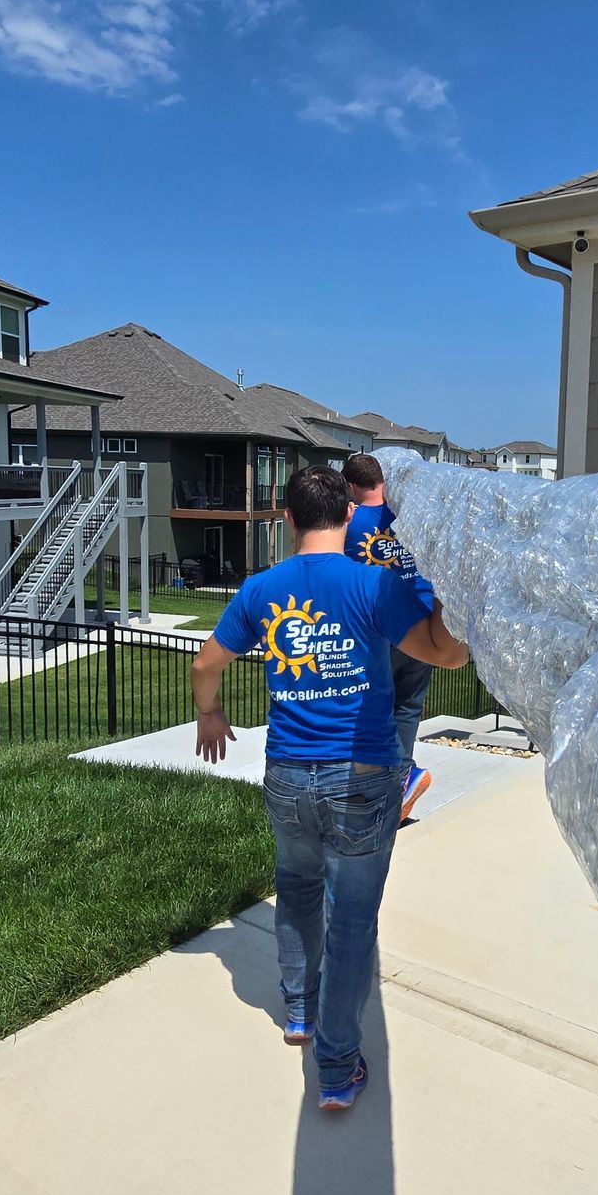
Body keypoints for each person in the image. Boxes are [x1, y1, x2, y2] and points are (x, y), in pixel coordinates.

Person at [192, 463, 469, 1112]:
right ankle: (338, 1069)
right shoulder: (372, 586)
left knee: (295, 886)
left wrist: (210, 712)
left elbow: (207, 663)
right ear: (349, 517)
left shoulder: (262, 589)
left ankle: (297, 1011)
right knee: (351, 922)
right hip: (363, 775)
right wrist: (458, 598)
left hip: (288, 773)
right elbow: (446, 655)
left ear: (288, 520)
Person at [342, 451, 436, 822]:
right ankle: (400, 782)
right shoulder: (411, 516)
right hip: (424, 623)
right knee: (408, 706)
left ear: (351, 487)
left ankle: (400, 776)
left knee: (375, 707)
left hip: (380, 626)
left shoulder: (348, 523)